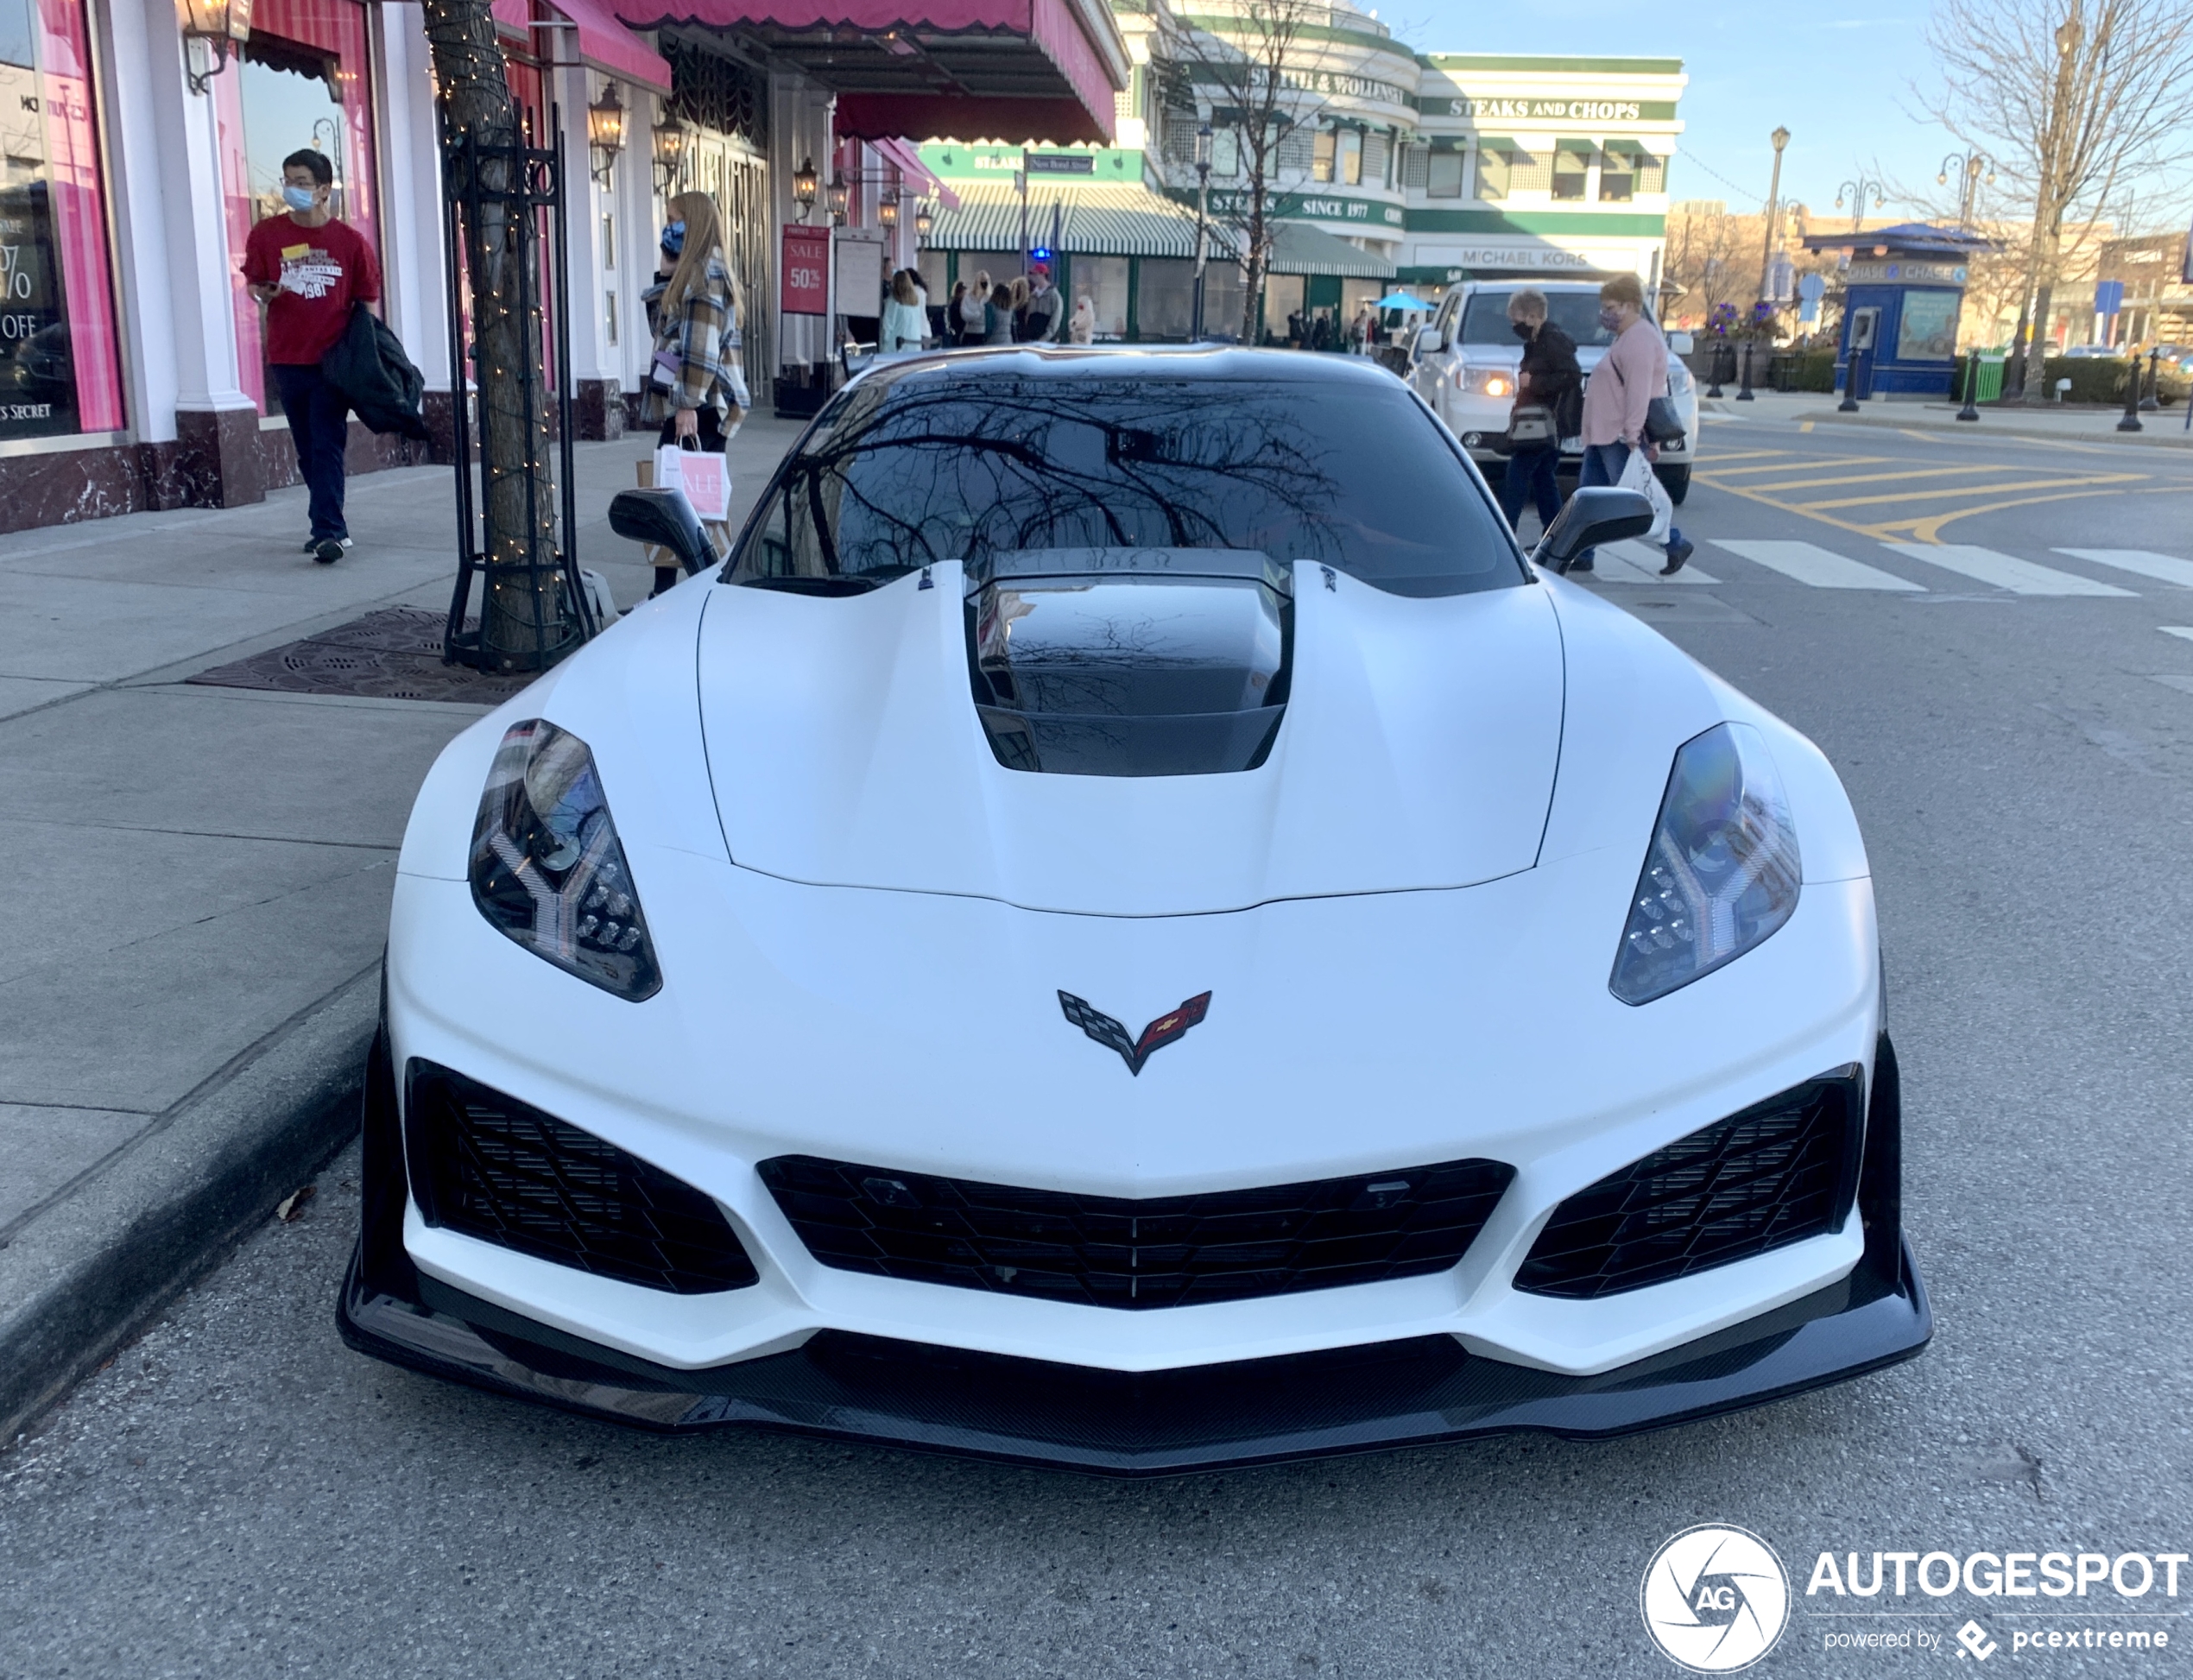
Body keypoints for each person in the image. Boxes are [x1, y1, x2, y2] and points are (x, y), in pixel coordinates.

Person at [243, 148, 382, 565]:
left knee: (326, 444)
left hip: (332, 361)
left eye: (302, 183)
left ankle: (328, 531)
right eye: (287, 181)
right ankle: (327, 520)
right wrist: (262, 293)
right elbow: (254, 283)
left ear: (323, 189)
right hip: (287, 357)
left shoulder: (350, 243)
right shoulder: (267, 234)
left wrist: (364, 357)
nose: (292, 189)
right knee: (307, 447)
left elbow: (366, 301)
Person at [641, 190, 748, 584]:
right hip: (700, 405)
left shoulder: (705, 277)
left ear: (695, 224)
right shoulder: (696, 273)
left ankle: (682, 592)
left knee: (678, 505)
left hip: (698, 407)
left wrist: (686, 404)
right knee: (688, 503)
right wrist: (666, 270)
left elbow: (700, 348)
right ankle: (678, 591)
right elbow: (663, 331)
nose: (669, 228)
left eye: (675, 220)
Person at [1572, 271, 1693, 576]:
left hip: (1618, 433)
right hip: (1606, 432)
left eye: (1611, 308)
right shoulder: (1629, 337)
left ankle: (1674, 542)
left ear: (1630, 305)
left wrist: (1633, 432)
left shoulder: (1638, 339)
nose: (1606, 315)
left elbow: (1640, 390)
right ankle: (1582, 554)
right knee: (1590, 496)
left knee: (1634, 497)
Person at [1497, 287, 1582, 540]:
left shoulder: (1551, 341)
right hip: (1539, 422)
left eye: (1517, 320)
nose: (1515, 326)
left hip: (1544, 422)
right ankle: (1556, 537)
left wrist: (1533, 384)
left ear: (1533, 316)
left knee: (1516, 478)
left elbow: (1571, 376)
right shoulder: (1536, 342)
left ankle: (1505, 534)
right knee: (1543, 479)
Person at [880, 269, 926, 354]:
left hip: (896, 346)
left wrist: (883, 344)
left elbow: (887, 325)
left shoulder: (893, 301)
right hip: (914, 344)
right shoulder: (915, 302)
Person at [1019, 262, 1065, 342]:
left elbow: (1056, 318)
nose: (1033, 277)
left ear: (1043, 275)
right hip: (1031, 338)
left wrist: (1047, 336)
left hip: (1048, 340)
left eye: (1035, 274)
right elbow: (1028, 316)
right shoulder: (1032, 295)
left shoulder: (1054, 295)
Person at [960, 270, 990, 343]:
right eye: (982, 280)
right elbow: (964, 314)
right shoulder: (968, 297)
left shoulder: (989, 298)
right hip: (969, 333)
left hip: (984, 334)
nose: (984, 283)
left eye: (986, 280)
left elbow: (987, 317)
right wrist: (978, 315)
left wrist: (973, 315)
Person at [983, 281, 1014, 345]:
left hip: (993, 341)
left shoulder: (990, 307)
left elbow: (988, 328)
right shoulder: (1010, 309)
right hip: (1008, 341)